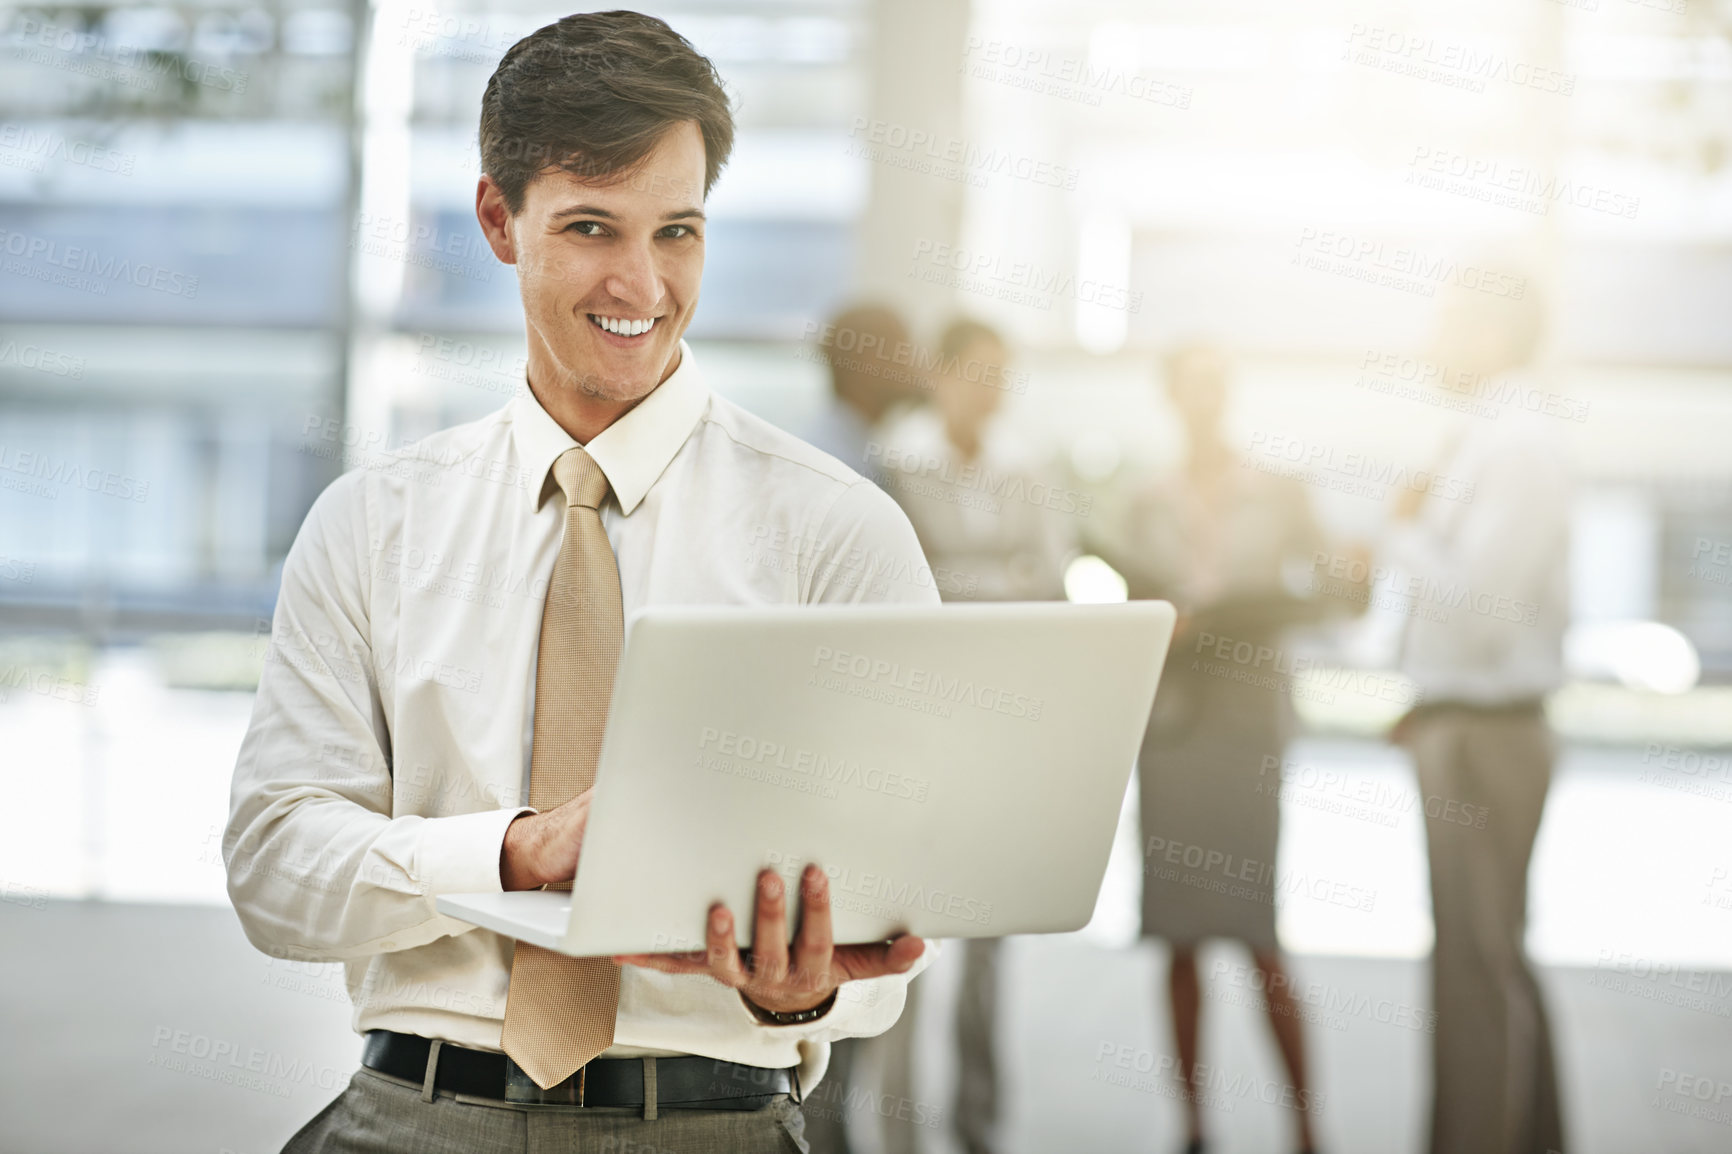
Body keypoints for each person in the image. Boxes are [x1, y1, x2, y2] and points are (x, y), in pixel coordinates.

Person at [225, 13, 934, 1153]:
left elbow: (894, 937)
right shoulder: (372, 523)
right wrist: (510, 849)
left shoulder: (835, 533)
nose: (641, 284)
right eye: (592, 227)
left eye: (679, 232)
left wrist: (795, 990)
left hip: (717, 1118)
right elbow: (274, 867)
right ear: (500, 221)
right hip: (413, 1112)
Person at [1105, 342, 1326, 1154]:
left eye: (1213, 386)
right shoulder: (1143, 500)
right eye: (1188, 387)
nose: (1202, 400)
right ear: (1171, 396)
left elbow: (1327, 580)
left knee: (1259, 930)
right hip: (1174, 730)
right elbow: (1134, 606)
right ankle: (1194, 1126)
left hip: (1247, 727)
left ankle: (1306, 1128)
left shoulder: (1280, 491)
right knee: (1179, 935)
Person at [873, 318, 1076, 1154]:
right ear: (943, 374)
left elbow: (1052, 582)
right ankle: (895, 1132)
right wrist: (1001, 581)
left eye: (1004, 374)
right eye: (979, 372)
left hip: (1001, 724)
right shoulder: (896, 459)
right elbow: (901, 583)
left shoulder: (1028, 467)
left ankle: (978, 1123)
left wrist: (967, 582)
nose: (992, 390)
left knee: (992, 937)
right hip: (914, 728)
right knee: (902, 934)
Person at [1383, 283, 1569, 1154]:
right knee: (1492, 958)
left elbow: (1484, 608)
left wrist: (1406, 531)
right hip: (1462, 719)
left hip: (1487, 733)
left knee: (1474, 969)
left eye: (1445, 316)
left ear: (1491, 329)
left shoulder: (1518, 443)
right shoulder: (1488, 437)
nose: (1430, 336)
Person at [801, 303, 921, 485]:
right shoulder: (834, 464)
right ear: (868, 363)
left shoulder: (861, 446)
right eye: (902, 351)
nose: (913, 364)